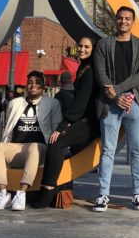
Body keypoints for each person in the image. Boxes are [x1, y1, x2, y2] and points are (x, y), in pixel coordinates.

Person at [92, 7, 139, 212]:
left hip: (133, 102)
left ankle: (137, 193)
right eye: (120, 18)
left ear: (133, 21)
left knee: (137, 150)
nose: (123, 21)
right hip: (110, 104)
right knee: (108, 149)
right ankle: (103, 195)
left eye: (127, 18)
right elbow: (100, 73)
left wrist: (119, 91)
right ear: (115, 20)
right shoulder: (103, 44)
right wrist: (115, 97)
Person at [31, 36, 101, 209]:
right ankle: (51, 189)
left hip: (90, 123)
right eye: (80, 46)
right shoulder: (84, 67)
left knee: (56, 143)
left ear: (93, 50)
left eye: (87, 47)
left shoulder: (90, 71)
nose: (82, 49)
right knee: (59, 147)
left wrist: (64, 125)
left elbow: (81, 102)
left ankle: (47, 191)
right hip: (84, 121)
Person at [0, 71, 63, 211]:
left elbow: (57, 127)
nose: (33, 85)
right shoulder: (15, 103)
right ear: (25, 86)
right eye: (30, 82)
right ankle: (3, 193)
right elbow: (9, 126)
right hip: (16, 148)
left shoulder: (52, 103)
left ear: (43, 87)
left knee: (34, 147)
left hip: (39, 148)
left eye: (37, 83)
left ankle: (21, 193)